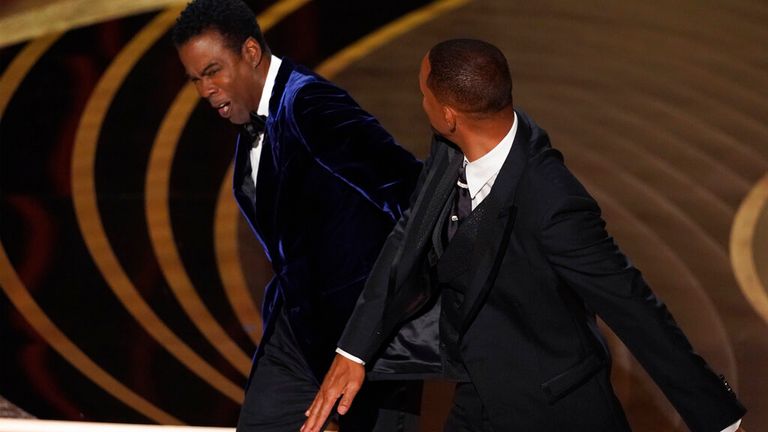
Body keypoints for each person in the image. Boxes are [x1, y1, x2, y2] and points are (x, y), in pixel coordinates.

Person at [302, 39, 746, 432]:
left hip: (553, 408)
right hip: (477, 395)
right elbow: (409, 236)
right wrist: (353, 351)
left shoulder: (554, 202)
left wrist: (719, 418)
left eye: (423, 94)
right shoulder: (449, 147)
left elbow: (633, 306)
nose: (421, 103)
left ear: (450, 115)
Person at [171, 1, 423, 430]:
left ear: (251, 52)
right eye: (195, 79)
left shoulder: (310, 104)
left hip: (363, 335)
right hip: (297, 330)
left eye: (213, 71)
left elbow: (408, 189)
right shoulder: (253, 120)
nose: (204, 90)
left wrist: (379, 321)